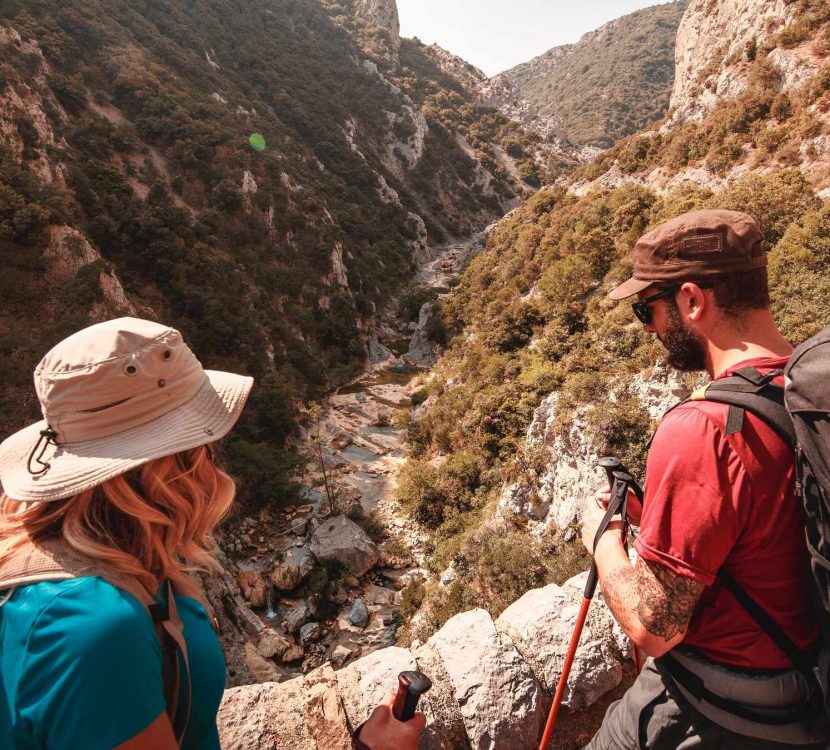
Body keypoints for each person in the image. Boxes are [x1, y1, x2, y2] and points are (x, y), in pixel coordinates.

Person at [0, 317, 425, 750]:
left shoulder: (106, 560)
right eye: (203, 443)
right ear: (171, 466)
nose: (214, 462)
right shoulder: (94, 631)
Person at [580, 210, 829, 748]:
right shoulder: (804, 391)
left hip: (723, 707)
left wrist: (603, 539)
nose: (649, 329)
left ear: (692, 302)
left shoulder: (705, 429)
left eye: (648, 311)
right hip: (807, 684)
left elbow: (655, 625)